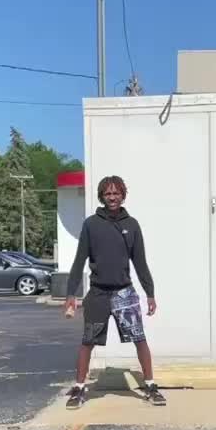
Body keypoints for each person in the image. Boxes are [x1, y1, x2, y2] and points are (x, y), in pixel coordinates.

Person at [64, 175, 166, 409]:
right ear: (102, 196)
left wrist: (150, 293)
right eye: (108, 193)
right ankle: (79, 389)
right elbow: (79, 261)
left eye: (116, 193)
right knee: (87, 342)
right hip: (98, 294)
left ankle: (150, 385)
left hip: (124, 294)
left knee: (139, 339)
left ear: (123, 195)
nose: (112, 197)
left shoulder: (132, 225)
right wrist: (71, 294)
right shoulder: (91, 224)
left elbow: (140, 263)